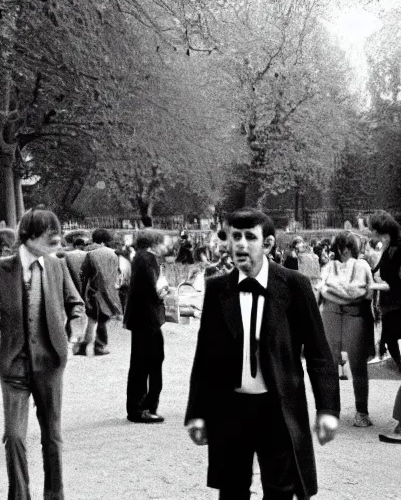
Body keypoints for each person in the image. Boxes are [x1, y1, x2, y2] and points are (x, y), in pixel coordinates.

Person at [185, 208, 340, 500]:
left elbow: (319, 352)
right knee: (231, 490)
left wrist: (327, 409)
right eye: (235, 237)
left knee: (281, 490)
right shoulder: (218, 288)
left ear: (267, 244)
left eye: (250, 237)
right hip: (231, 408)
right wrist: (197, 413)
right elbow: (205, 357)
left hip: (278, 408)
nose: (241, 245)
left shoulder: (295, 285)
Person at [0, 208, 87, 500]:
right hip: (14, 367)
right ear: (30, 237)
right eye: (51, 234)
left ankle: (54, 495)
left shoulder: (57, 265)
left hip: (51, 363)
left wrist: (76, 326)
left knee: (53, 436)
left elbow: (76, 304)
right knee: (14, 436)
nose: (58, 239)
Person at [319, 231, 375, 428]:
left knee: (354, 364)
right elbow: (326, 290)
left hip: (347, 314)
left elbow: (363, 293)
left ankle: (356, 412)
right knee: (335, 364)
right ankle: (341, 411)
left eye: (347, 246)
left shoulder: (360, 266)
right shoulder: (331, 266)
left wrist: (339, 292)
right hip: (339, 314)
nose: (344, 250)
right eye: (343, 246)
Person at [124, 231, 168, 424]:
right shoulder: (147, 259)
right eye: (163, 243)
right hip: (148, 317)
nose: (166, 247)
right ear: (154, 243)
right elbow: (154, 290)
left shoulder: (140, 258)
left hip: (143, 317)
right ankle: (142, 407)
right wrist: (164, 292)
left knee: (146, 361)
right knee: (148, 362)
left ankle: (142, 406)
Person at [368, 211, 401, 443]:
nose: (372, 234)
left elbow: (397, 285)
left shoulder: (397, 249)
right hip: (391, 312)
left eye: (374, 231)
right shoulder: (388, 247)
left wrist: (374, 285)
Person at [81, 229, 122, 356]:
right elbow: (117, 273)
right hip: (109, 291)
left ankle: (84, 345)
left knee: (92, 318)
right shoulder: (113, 254)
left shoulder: (88, 253)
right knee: (102, 319)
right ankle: (99, 345)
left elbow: (84, 274)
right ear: (105, 241)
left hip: (93, 291)